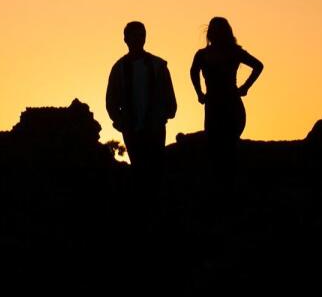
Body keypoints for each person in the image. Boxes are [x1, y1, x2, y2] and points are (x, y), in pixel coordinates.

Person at [190, 17, 263, 187]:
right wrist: (199, 93)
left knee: (223, 148)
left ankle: (226, 187)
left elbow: (259, 66)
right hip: (220, 105)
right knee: (221, 149)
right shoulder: (223, 53)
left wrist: (200, 93)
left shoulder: (223, 53)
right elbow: (193, 72)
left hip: (227, 106)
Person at [105, 21, 177, 184]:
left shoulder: (158, 65)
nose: (138, 39)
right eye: (134, 35)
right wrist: (120, 120)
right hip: (131, 128)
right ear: (126, 39)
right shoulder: (119, 68)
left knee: (156, 172)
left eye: (141, 35)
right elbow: (111, 99)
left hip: (155, 127)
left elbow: (169, 96)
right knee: (139, 172)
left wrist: (165, 114)